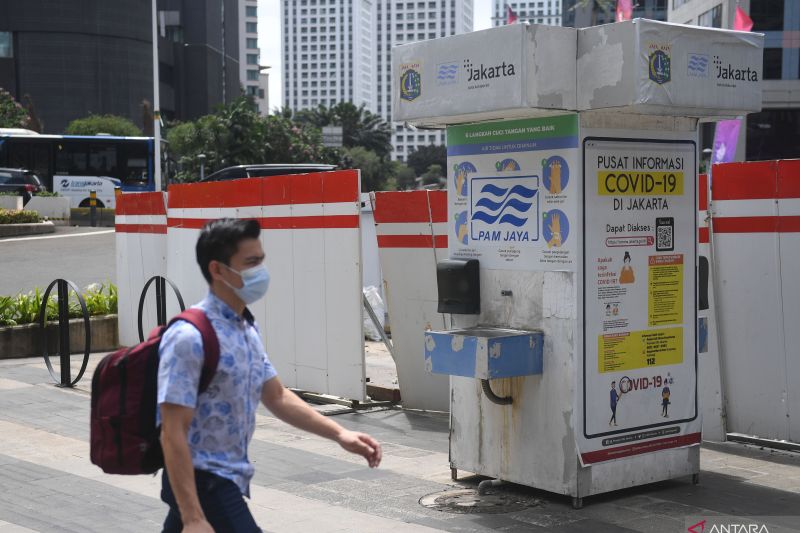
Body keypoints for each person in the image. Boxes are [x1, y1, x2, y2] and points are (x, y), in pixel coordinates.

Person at [157, 218, 382, 533]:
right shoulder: (189, 338)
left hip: (227, 477)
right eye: (250, 263)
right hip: (204, 480)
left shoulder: (245, 327)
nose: (260, 271)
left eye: (260, 261)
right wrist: (193, 516)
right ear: (217, 270)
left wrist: (339, 434)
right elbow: (171, 431)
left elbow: (276, 395)